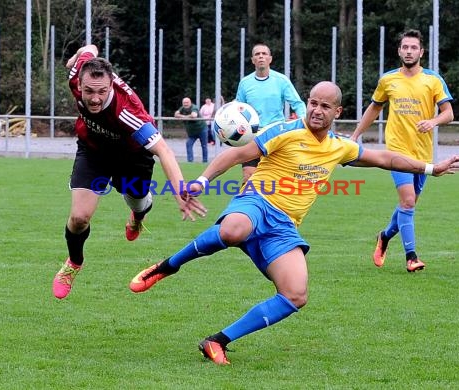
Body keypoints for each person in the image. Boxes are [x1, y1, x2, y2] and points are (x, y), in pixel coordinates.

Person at [129, 81, 459, 365]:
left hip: (283, 225)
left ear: (337, 112)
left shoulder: (339, 147)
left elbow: (386, 158)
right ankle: (167, 267)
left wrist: (432, 168)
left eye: (324, 106)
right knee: (233, 230)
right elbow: (236, 155)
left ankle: (217, 341)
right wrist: (201, 181)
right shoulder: (285, 130)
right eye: (313, 103)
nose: (316, 110)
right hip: (257, 202)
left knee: (295, 295)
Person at [52, 45, 206, 300]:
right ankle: (73, 263)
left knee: (138, 201)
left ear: (111, 85)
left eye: (102, 92)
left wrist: (180, 192)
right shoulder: (77, 75)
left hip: (132, 156)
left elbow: (164, 151)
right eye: (89, 91)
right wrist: (75, 56)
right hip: (93, 151)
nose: (94, 99)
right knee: (79, 218)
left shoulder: (127, 111)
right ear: (79, 82)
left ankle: (137, 217)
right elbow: (90, 49)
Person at [350, 29, 454, 273]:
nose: (409, 51)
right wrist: (355, 136)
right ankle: (411, 257)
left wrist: (433, 122)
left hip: (423, 153)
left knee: (407, 207)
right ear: (399, 51)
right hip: (396, 151)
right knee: (407, 201)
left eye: (413, 48)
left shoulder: (433, 80)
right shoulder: (388, 80)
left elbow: (449, 113)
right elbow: (374, 109)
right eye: (405, 47)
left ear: (421, 52)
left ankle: (384, 237)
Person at [236, 43, 306, 183]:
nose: (261, 56)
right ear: (252, 60)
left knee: (276, 179)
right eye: (257, 54)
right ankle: (247, 203)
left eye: (264, 53)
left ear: (270, 59)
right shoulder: (245, 83)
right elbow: (239, 109)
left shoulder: (281, 80)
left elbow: (297, 104)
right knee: (249, 176)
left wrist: (305, 124)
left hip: (276, 135)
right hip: (253, 136)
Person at [175, 97, 208, 163]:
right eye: (184, 103)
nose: (185, 104)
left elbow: (194, 115)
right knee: (188, 144)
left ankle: (205, 161)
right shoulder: (182, 108)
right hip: (192, 133)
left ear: (190, 103)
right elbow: (176, 114)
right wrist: (185, 117)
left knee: (204, 145)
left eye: (187, 102)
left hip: (201, 130)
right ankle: (190, 161)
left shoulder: (194, 107)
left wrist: (183, 117)